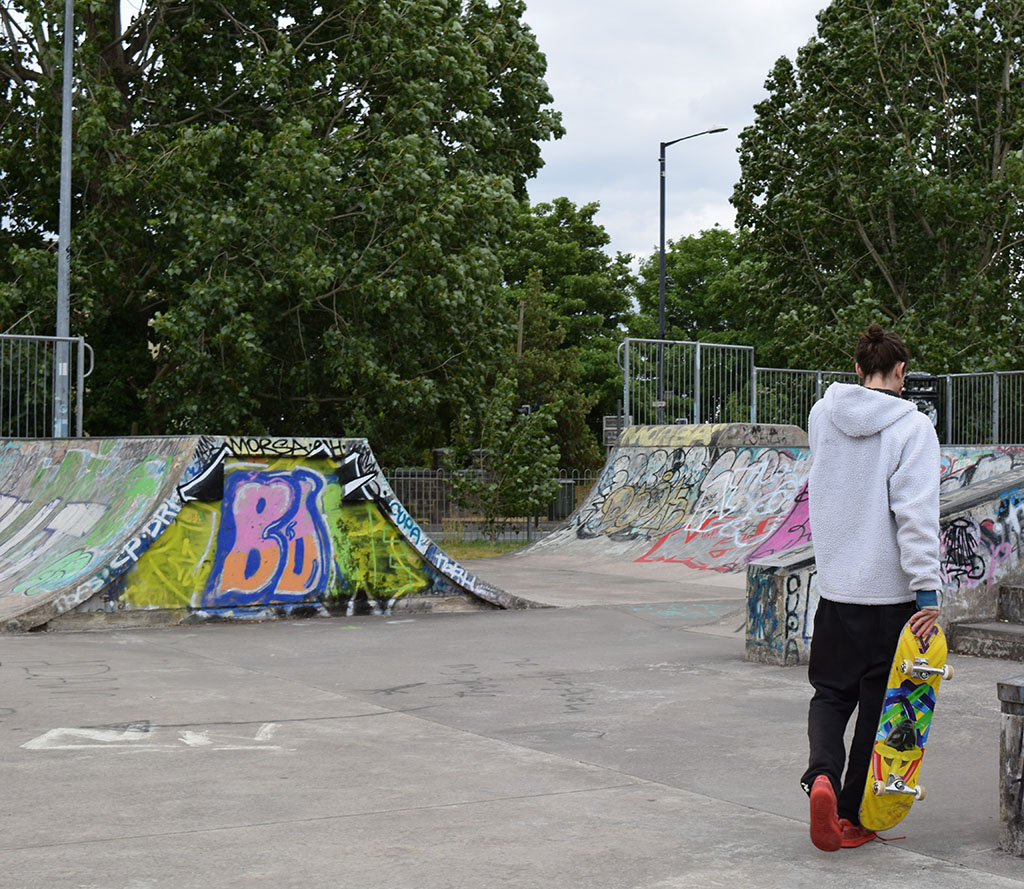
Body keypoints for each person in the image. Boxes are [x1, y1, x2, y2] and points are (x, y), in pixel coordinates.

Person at [801, 323, 942, 852]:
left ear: (857, 369)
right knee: (879, 707)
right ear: (901, 371)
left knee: (830, 695)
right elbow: (916, 517)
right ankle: (855, 817)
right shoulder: (914, 428)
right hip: (891, 601)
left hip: (837, 592)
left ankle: (821, 779)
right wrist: (927, 593)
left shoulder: (822, 415)